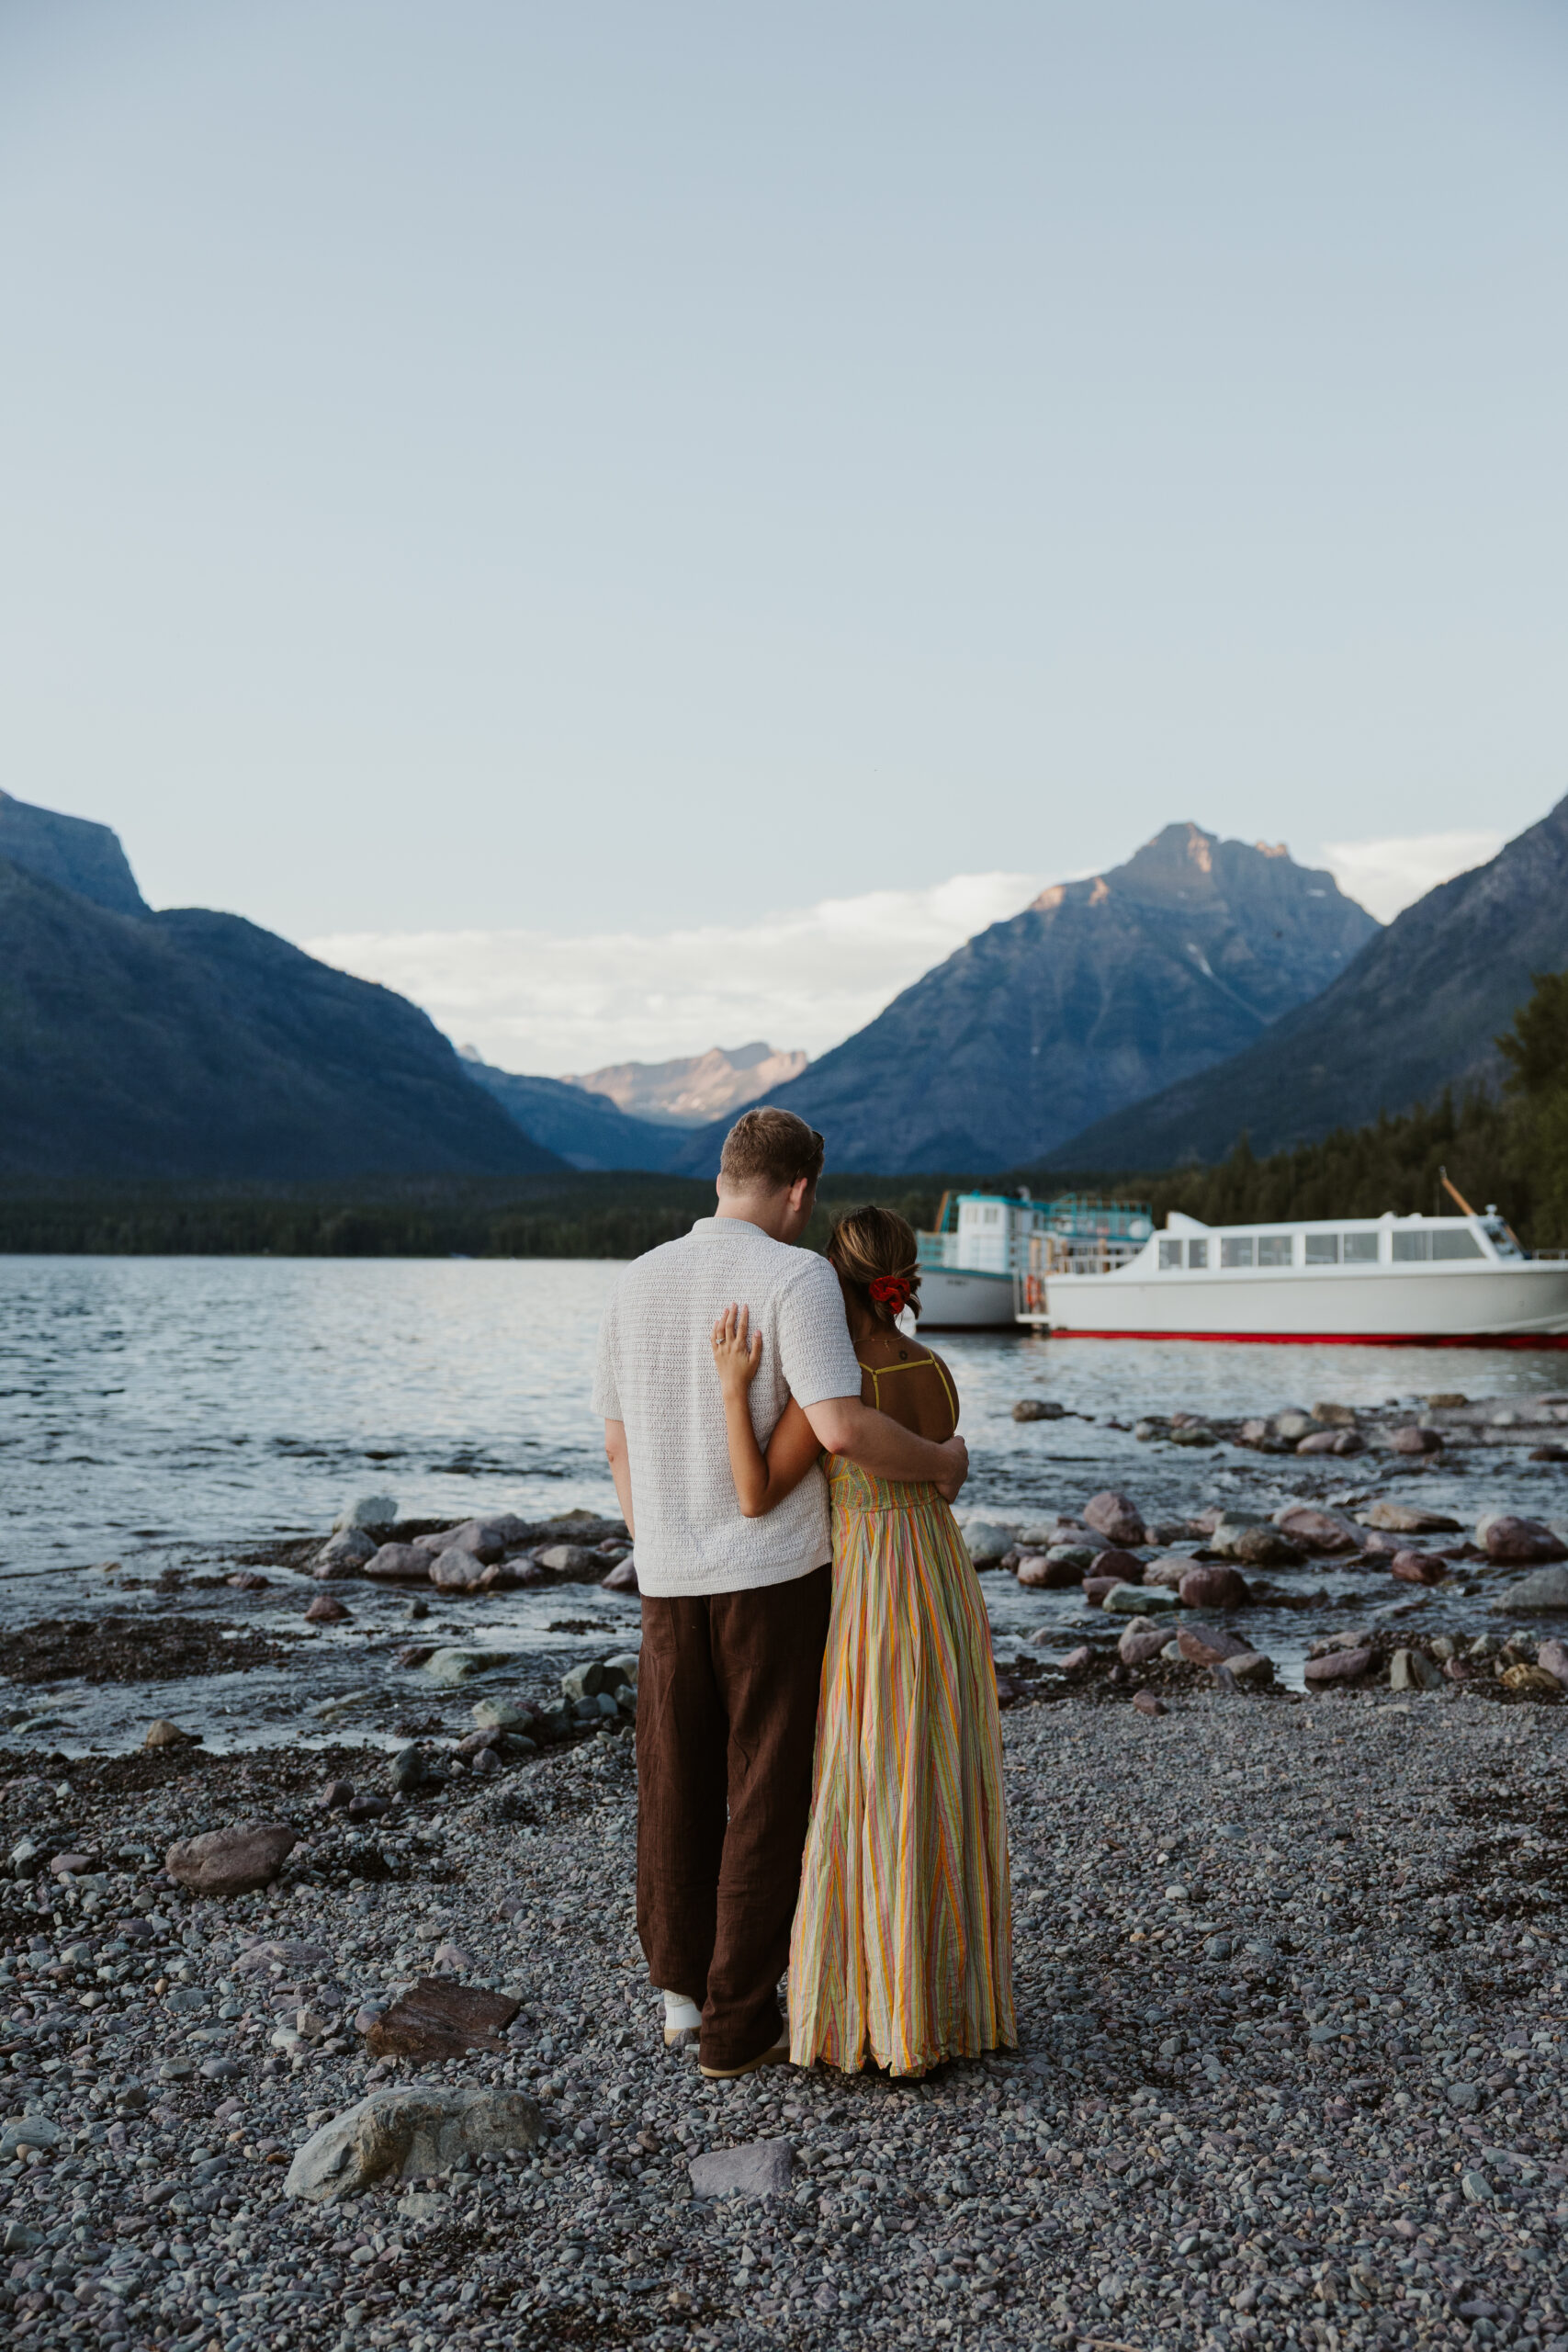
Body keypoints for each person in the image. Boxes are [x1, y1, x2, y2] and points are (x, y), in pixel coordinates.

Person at [593, 1108, 970, 2082]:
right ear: (798, 1189)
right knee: (765, 1789)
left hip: (669, 1573)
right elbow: (840, 1426)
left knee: (673, 1779)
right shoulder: (793, 1274)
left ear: (726, 1175)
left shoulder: (637, 1280)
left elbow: (618, 1443)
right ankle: (736, 2022)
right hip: (774, 1577)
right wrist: (940, 1460)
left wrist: (656, 1535)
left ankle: (679, 1997)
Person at [709, 1203, 1014, 2079]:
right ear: (899, 1277)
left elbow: (757, 1491)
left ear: (831, 1278)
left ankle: (878, 2011)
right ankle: (952, 2004)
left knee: (869, 1785)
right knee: (941, 1779)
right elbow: (945, 1479)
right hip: (944, 1584)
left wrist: (733, 1389)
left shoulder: (834, 1384)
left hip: (875, 1590)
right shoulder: (935, 1369)